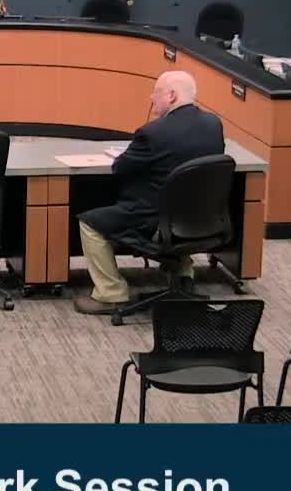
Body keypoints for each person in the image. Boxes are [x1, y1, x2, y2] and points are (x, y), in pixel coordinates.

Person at [73, 71, 225, 315]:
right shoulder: (213, 125)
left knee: (89, 223)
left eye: (156, 92)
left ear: (172, 95)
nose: (151, 98)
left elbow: (120, 168)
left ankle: (111, 293)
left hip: (154, 221)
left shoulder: (152, 133)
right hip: (202, 219)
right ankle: (183, 274)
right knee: (180, 210)